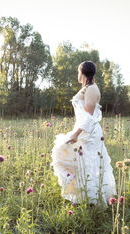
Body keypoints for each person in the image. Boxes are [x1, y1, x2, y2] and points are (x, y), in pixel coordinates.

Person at [50, 61, 116, 206]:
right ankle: (85, 196)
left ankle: (94, 198)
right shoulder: (87, 88)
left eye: (78, 71)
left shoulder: (92, 89)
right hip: (83, 129)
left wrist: (75, 134)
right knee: (81, 162)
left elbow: (89, 117)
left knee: (89, 163)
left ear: (83, 72)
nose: (77, 75)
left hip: (88, 132)